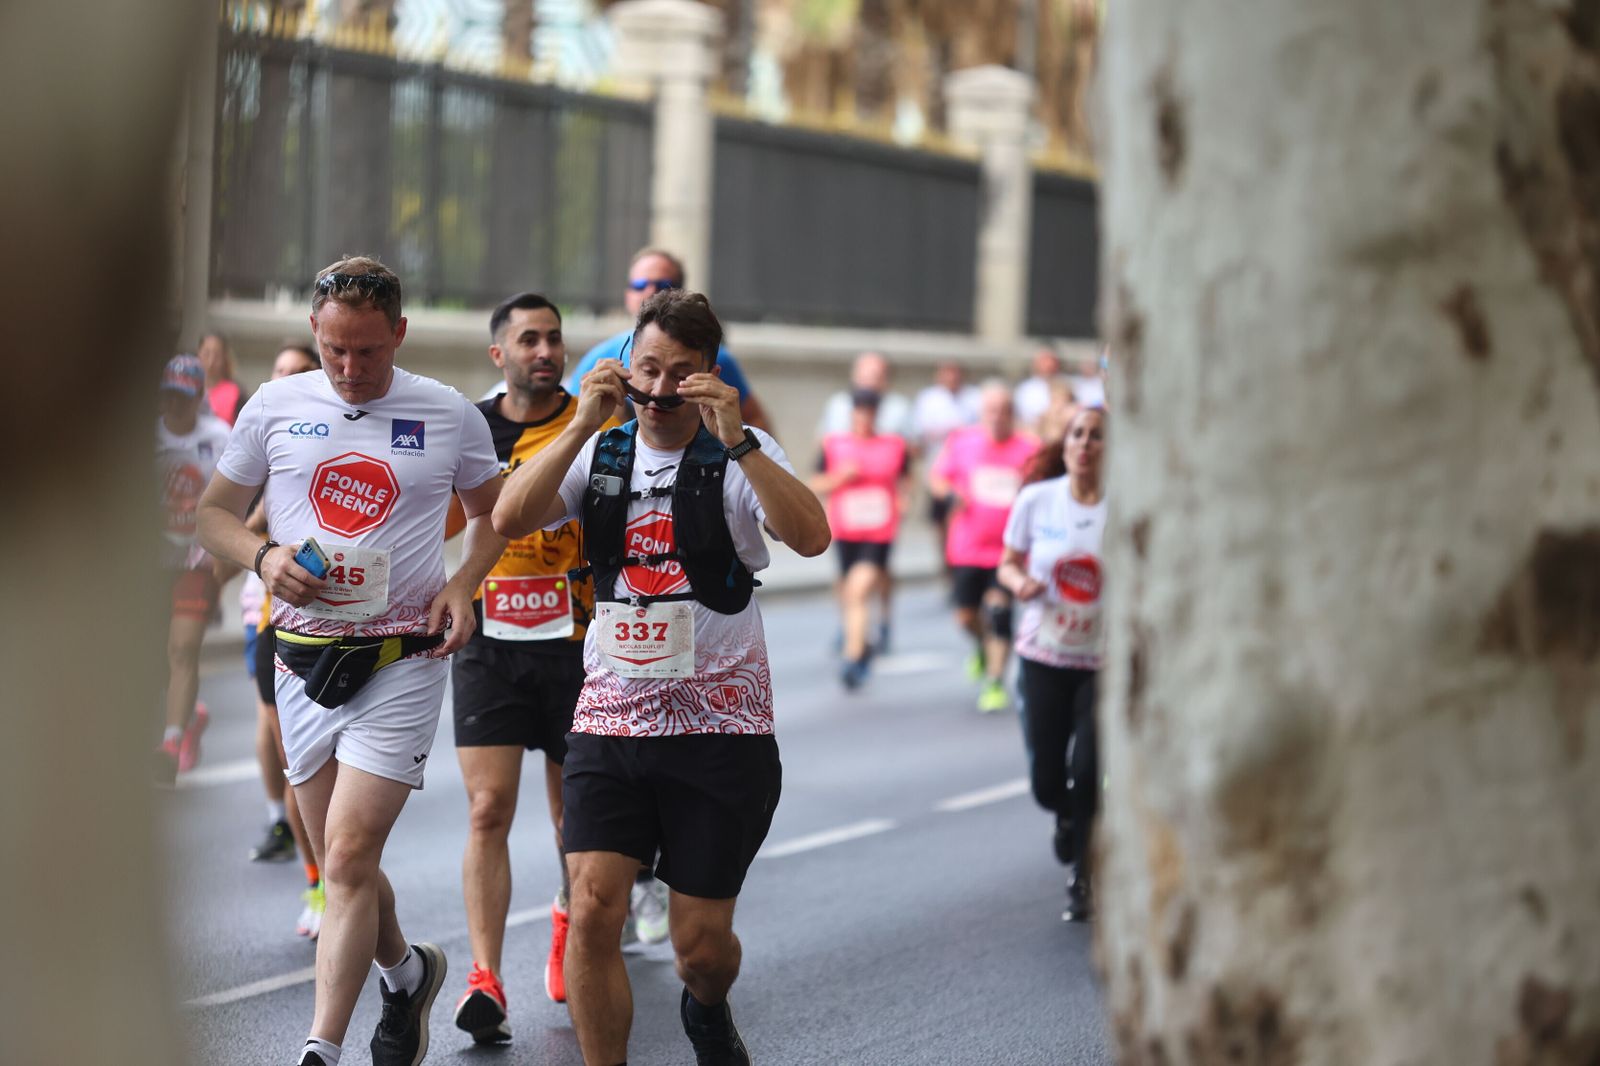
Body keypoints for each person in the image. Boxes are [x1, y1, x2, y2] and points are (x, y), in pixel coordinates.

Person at [492, 288, 830, 1066]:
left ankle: (707, 1009)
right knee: (594, 907)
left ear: (709, 377)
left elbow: (812, 537)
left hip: (720, 734)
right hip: (610, 723)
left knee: (700, 950)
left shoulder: (740, 455)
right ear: (623, 368)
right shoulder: (600, 451)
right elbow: (509, 518)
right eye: (647, 367)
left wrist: (741, 440)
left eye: (682, 372)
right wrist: (580, 420)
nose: (661, 388)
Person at [197, 257, 508, 1066]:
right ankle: (406, 975)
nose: (350, 368)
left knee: (343, 854)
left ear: (398, 334)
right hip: (303, 656)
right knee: (347, 856)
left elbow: (494, 515)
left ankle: (319, 1050)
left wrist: (464, 584)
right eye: (335, 349)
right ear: (314, 333)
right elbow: (213, 516)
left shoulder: (446, 413)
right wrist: (263, 559)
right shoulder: (276, 405)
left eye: (368, 351)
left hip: (403, 655)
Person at [448, 293, 618, 1044]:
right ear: (500, 355)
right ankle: (485, 974)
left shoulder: (596, 421)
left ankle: (563, 917)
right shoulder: (471, 428)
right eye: (528, 340)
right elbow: (446, 521)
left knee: (567, 817)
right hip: (489, 639)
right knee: (488, 810)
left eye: (553, 338)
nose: (544, 350)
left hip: (577, 642)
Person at [996, 406, 1106, 922]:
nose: (1085, 444)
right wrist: (1020, 584)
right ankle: (1064, 817)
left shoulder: (1128, 509)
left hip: (1104, 662)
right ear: (1065, 446)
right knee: (1046, 781)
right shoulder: (1038, 500)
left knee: (1087, 771)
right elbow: (1008, 561)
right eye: (1078, 434)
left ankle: (1083, 875)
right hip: (1043, 655)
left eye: (1098, 437)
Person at [242, 343, 327, 943]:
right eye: (281, 373)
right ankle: (319, 879)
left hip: (354, 627)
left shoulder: (340, 437)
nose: (290, 382)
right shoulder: (266, 440)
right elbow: (232, 526)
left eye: (301, 372)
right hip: (278, 626)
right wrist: (266, 553)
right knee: (295, 762)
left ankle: (341, 871)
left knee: (339, 772)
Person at [560, 247, 773, 433]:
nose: (651, 291)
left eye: (681, 374)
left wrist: (739, 446)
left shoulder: (718, 358)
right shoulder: (601, 356)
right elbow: (566, 422)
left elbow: (755, 420)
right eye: (640, 284)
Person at [928, 382, 1039, 713]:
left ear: (1013, 413)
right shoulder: (962, 442)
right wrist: (950, 496)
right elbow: (937, 479)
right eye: (992, 410)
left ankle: (994, 681)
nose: (998, 417)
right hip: (967, 548)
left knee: (999, 610)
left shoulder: (1028, 449)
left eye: (1005, 410)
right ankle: (981, 643)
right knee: (965, 617)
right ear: (981, 412)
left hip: (1009, 551)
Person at [154, 354, 234, 786]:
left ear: (199, 395)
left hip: (195, 560)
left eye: (183, 397)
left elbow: (235, 499)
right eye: (168, 396)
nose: (175, 406)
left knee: (182, 649)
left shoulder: (218, 437)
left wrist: (221, 562)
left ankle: (170, 740)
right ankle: (189, 712)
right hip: (150, 560)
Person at [810, 389, 911, 689]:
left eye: (870, 411)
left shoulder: (893, 445)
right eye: (860, 411)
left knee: (858, 590)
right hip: (845, 531)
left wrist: (904, 499)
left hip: (879, 532)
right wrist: (839, 478)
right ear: (852, 413)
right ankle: (861, 644)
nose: (865, 417)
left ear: (877, 414)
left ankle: (853, 658)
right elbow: (814, 482)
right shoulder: (834, 445)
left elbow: (906, 478)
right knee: (846, 590)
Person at [816, 351, 913, 440]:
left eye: (875, 377)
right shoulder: (838, 404)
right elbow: (824, 441)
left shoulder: (899, 407)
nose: (869, 383)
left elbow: (911, 447)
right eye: (865, 377)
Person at [198, 330, 249, 425]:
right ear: (199, 354)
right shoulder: (189, 388)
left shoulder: (237, 392)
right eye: (206, 353)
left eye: (217, 355)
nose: (211, 361)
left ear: (225, 358)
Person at [1012, 347, 1065, 434]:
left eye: (1051, 360)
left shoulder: (1066, 386)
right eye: (1044, 360)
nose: (1048, 364)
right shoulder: (1025, 390)